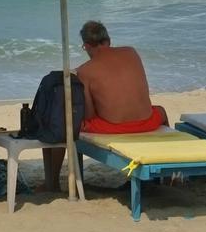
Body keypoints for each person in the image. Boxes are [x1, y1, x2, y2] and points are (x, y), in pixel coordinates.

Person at [42, 20, 168, 190]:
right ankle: (166, 172)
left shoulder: (85, 70)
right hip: (147, 122)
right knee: (161, 111)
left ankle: (53, 183)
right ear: (108, 40)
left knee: (63, 123)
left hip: (115, 127)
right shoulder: (131, 52)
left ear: (86, 45)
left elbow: (90, 114)